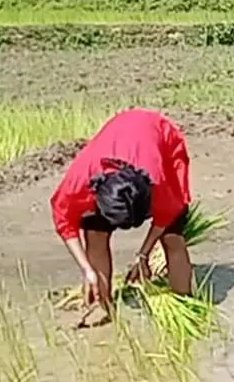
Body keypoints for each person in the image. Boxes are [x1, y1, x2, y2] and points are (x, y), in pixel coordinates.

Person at [50, 109, 194, 325]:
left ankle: (184, 302)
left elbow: (167, 215)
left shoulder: (158, 179)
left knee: (172, 238)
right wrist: (87, 270)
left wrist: (144, 255)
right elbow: (64, 223)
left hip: (159, 137)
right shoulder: (78, 184)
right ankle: (102, 306)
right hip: (114, 150)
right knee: (95, 235)